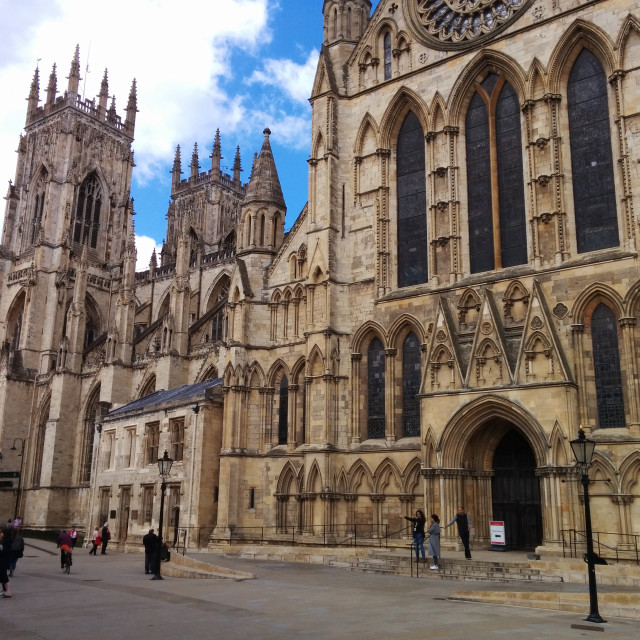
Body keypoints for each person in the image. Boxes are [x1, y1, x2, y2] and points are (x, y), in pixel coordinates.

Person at [0, 528, 13, 597]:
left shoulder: (7, 542)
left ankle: (8, 592)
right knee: (3, 576)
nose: (0, 534)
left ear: (5, 534)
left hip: (4, 562)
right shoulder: (4, 541)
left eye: (1, 533)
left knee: (4, 577)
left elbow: (5, 552)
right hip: (2, 561)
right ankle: (5, 591)